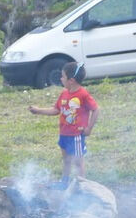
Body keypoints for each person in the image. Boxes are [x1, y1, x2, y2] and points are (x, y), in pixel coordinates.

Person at [28, 61, 99, 189]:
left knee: (78, 162)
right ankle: (64, 183)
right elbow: (56, 110)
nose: (61, 79)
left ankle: (81, 185)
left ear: (71, 80)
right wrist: (38, 111)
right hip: (64, 134)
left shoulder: (83, 95)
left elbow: (96, 109)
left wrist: (89, 128)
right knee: (66, 160)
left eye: (63, 77)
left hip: (76, 135)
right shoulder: (64, 94)